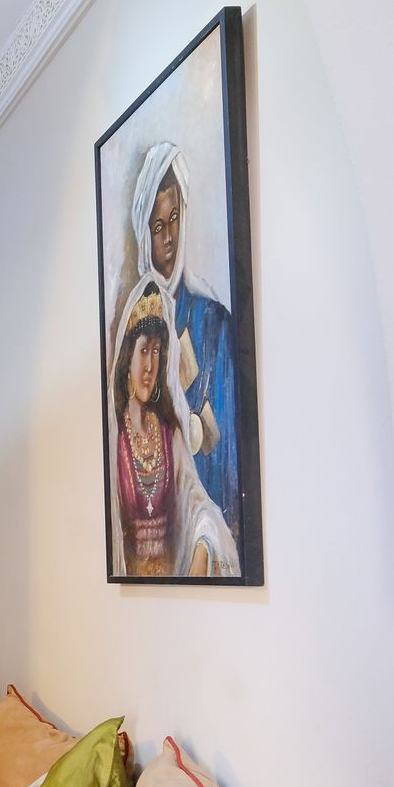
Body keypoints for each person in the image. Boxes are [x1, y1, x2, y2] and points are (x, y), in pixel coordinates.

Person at [129, 141, 243, 543]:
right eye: (158, 227)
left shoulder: (216, 323)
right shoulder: (139, 334)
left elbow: (227, 451)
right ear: (145, 235)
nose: (170, 237)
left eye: (174, 218)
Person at [106, 280, 238, 578]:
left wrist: (204, 545)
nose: (150, 366)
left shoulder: (170, 434)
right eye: (143, 351)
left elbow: (196, 503)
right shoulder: (115, 439)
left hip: (173, 591)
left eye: (156, 351)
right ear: (128, 358)